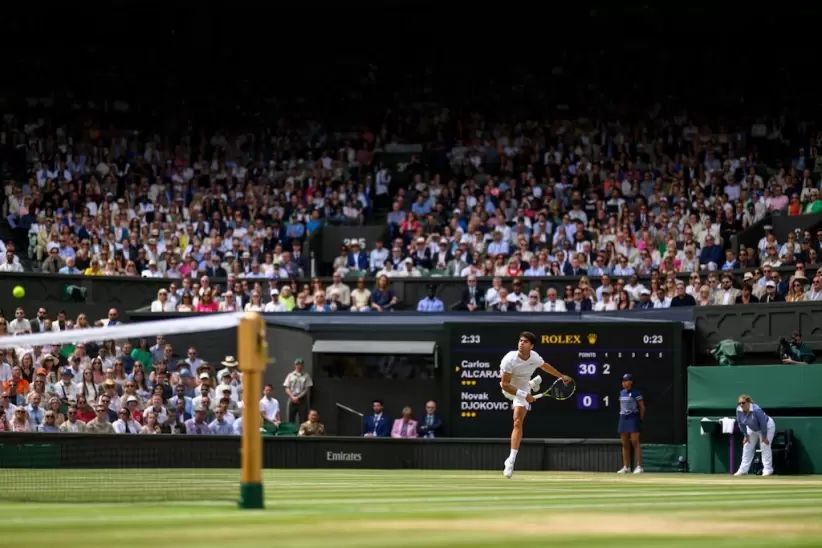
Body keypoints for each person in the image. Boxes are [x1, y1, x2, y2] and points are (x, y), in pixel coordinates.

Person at [499, 331, 572, 478]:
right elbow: (505, 385)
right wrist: (525, 395)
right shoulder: (509, 359)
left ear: (531, 346)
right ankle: (534, 383)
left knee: (517, 421)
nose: (521, 343)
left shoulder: (535, 357)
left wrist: (561, 376)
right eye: (520, 340)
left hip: (523, 387)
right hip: (509, 389)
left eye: (525, 342)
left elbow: (545, 366)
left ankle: (511, 460)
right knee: (518, 392)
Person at [734, 394, 776, 476]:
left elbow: (763, 423)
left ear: (749, 402)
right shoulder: (739, 410)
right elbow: (740, 423)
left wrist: (764, 437)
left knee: (764, 446)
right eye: (739, 403)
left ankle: (768, 469)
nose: (741, 405)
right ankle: (743, 469)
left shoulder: (756, 410)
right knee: (747, 446)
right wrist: (746, 435)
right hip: (752, 428)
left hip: (766, 427)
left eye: (743, 403)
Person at [617, 373, 645, 474]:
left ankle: (639, 466)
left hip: (633, 418)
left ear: (631, 382)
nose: (624, 383)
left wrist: (639, 419)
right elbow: (621, 406)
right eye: (623, 381)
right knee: (624, 444)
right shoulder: (621, 393)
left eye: (626, 381)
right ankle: (626, 467)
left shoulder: (636, 392)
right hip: (623, 418)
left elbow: (642, 407)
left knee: (634, 442)